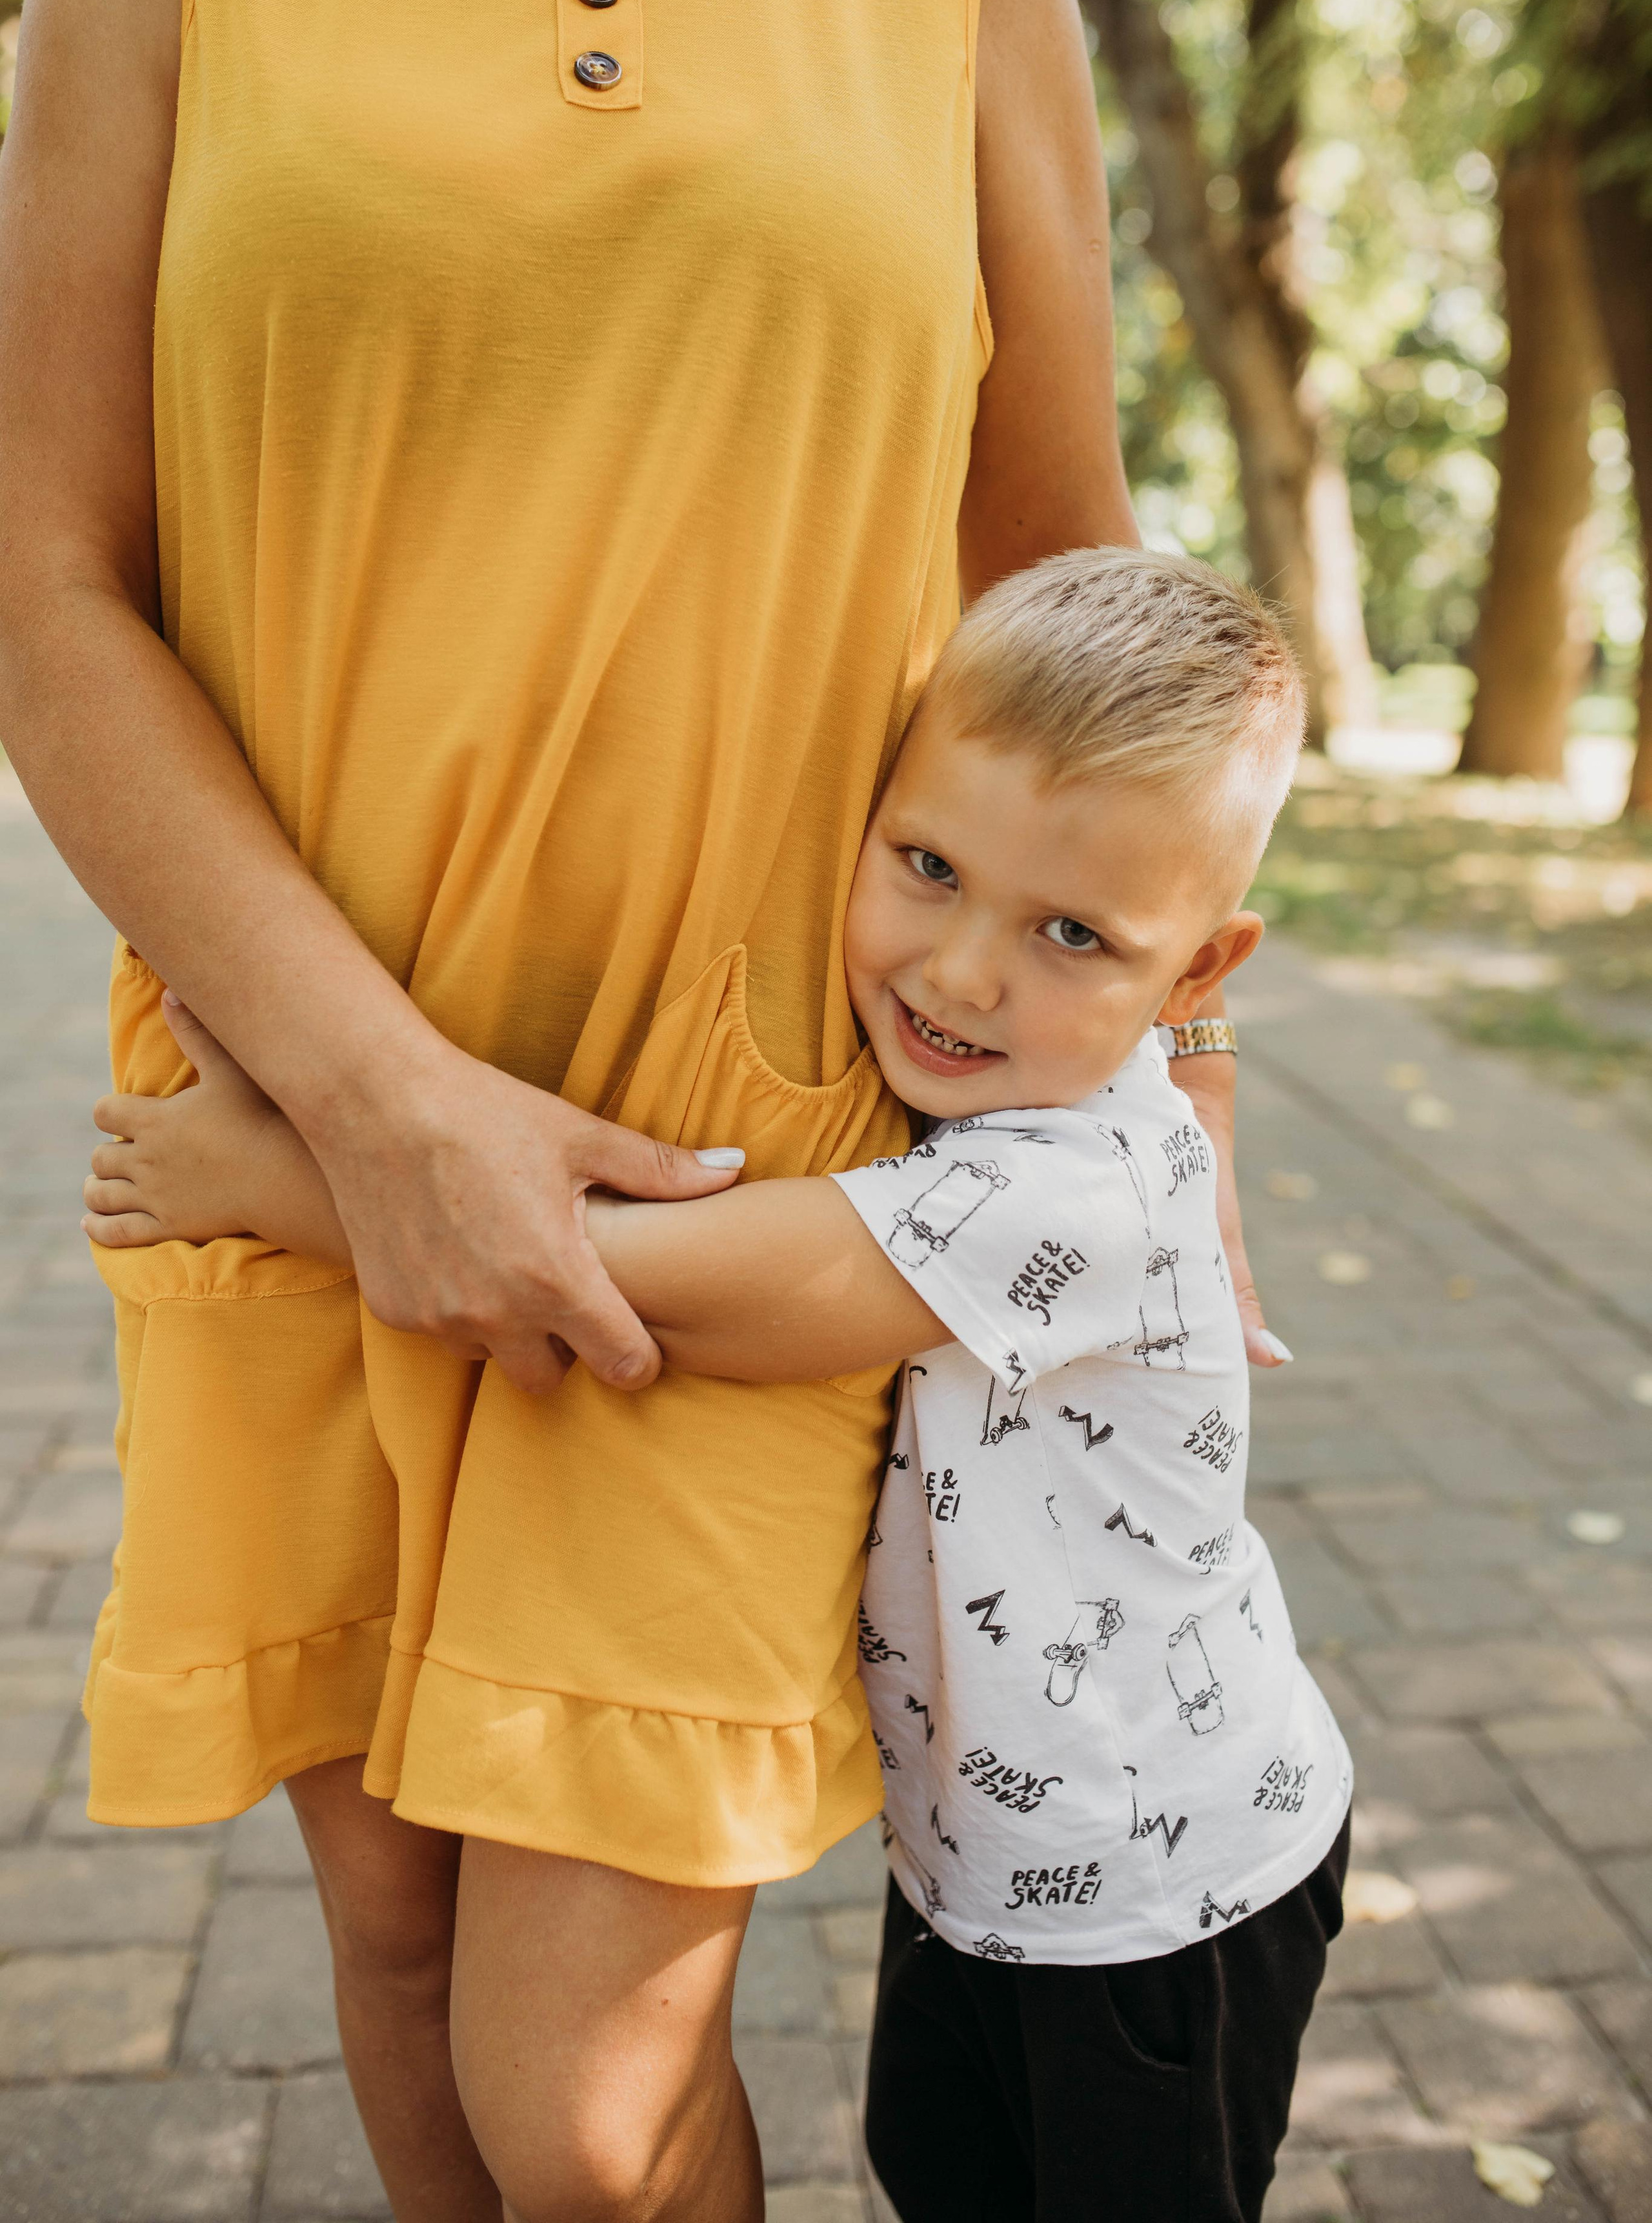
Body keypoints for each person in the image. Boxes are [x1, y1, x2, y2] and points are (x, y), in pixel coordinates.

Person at [0, 0, 1282, 2207]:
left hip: (748, 1159)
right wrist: (376, 1118)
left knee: (580, 2113)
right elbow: (52, 578)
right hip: (290, 1114)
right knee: (390, 1947)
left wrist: (1184, 1071)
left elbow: (1061, 566)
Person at [86, 546, 1347, 2223]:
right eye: (925, 866)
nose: (963, 973)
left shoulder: (1078, 1188)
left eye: (1072, 934)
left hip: (1162, 1900)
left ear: (1196, 980)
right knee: (948, 2175)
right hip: (987, 1872)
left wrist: (264, 1174)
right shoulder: (976, 1090)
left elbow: (637, 1287)